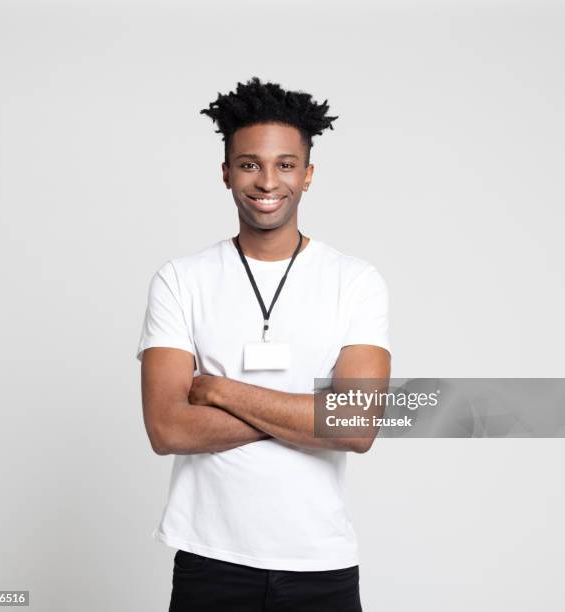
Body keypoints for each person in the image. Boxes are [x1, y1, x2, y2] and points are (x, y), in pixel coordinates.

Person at [136, 76, 391, 612]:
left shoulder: (355, 280)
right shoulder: (182, 279)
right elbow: (167, 428)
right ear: (226, 172)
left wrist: (220, 391)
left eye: (285, 164)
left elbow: (358, 426)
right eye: (250, 164)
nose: (267, 181)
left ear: (308, 174)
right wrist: (307, 412)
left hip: (321, 565)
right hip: (210, 561)